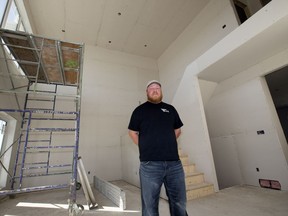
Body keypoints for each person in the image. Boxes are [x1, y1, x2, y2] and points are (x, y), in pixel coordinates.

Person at [128, 80, 188, 216]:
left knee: (179, 202)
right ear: (147, 92)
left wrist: (167, 142)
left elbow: (177, 130)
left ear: (161, 91)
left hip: (174, 164)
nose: (155, 90)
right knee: (150, 204)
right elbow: (132, 132)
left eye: (157, 88)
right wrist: (145, 145)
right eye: (151, 88)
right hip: (150, 165)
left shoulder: (170, 109)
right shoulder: (139, 110)